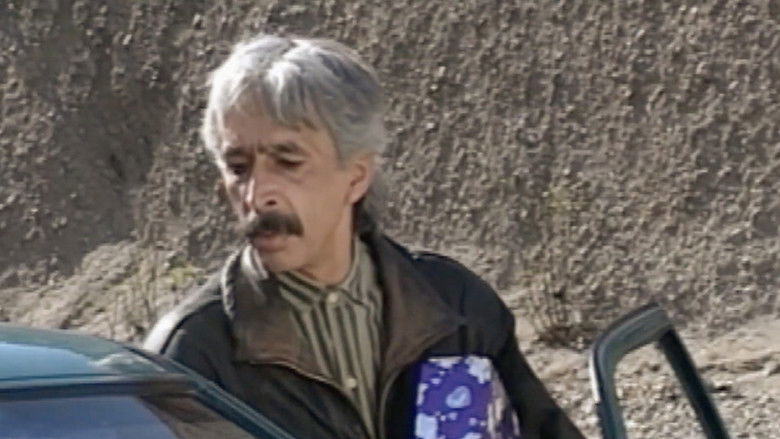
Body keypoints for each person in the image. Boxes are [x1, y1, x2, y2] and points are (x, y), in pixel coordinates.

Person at [144, 34, 585, 439]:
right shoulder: (193, 357)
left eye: (288, 162)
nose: (258, 195)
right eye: (238, 168)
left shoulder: (456, 306)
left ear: (356, 176)